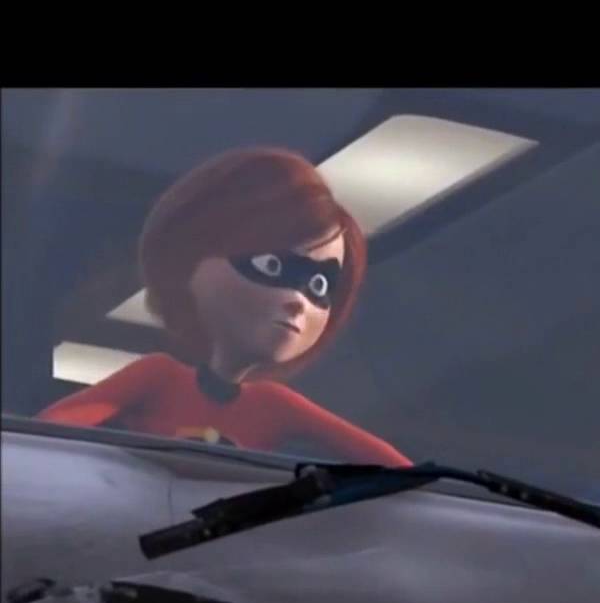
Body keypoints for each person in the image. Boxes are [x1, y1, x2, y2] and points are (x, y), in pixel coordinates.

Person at [37, 147, 412, 467]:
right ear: (188, 258)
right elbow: (46, 435)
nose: (298, 301)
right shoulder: (159, 375)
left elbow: (403, 473)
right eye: (271, 266)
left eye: (319, 285)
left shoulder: (273, 403)